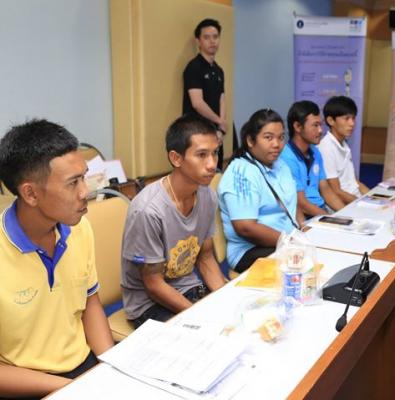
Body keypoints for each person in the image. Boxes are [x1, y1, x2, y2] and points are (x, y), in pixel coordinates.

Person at [0, 120, 114, 400]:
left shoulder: (79, 228)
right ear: (30, 193)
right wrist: (71, 388)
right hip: (26, 383)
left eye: (83, 177)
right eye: (72, 183)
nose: (85, 192)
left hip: (83, 367)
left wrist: (111, 367)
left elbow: (90, 304)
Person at [121, 115, 226, 329]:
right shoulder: (148, 210)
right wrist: (199, 316)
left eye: (215, 153)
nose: (212, 164)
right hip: (149, 304)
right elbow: (153, 285)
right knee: (208, 336)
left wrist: (227, 300)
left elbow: (206, 258)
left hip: (188, 289)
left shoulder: (207, 195)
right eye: (201, 155)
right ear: (176, 158)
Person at [218, 109, 303, 273]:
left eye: (281, 137)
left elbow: (291, 202)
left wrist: (302, 228)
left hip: (286, 241)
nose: (276, 144)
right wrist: (289, 241)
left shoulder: (281, 165)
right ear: (250, 140)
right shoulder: (242, 172)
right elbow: (245, 227)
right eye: (268, 137)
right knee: (305, 264)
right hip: (250, 250)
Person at [280, 100, 345, 218]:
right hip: (304, 215)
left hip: (320, 210)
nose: (320, 130)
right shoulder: (286, 157)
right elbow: (301, 203)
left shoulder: (315, 152)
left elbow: (326, 190)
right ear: (298, 127)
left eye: (320, 125)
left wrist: (346, 215)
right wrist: (331, 219)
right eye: (315, 125)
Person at [182, 18, 226, 170]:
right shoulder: (193, 67)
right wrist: (219, 121)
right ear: (198, 41)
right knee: (199, 173)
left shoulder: (219, 70)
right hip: (197, 132)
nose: (212, 41)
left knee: (216, 172)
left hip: (215, 132)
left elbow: (222, 97)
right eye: (206, 37)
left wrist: (221, 128)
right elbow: (197, 103)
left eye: (215, 37)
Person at [319, 96, 369, 204]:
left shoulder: (344, 144)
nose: (352, 123)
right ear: (330, 121)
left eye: (353, 118)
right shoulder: (326, 147)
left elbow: (356, 182)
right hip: (344, 205)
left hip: (355, 199)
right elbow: (336, 191)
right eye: (346, 119)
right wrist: (364, 203)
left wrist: (374, 199)